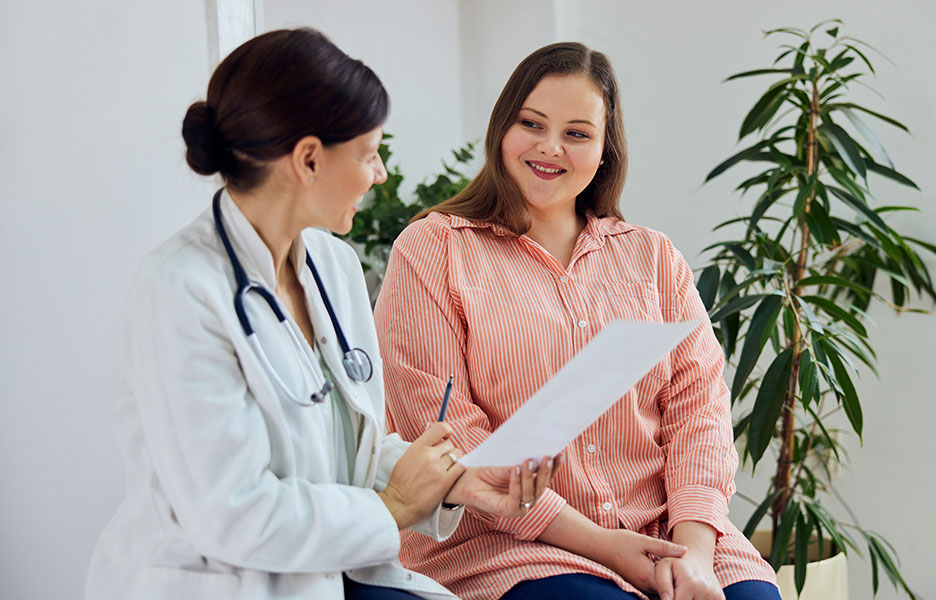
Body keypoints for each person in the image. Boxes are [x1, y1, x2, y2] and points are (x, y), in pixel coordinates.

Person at [85, 28, 556, 600]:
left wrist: (458, 483)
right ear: (308, 159)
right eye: (368, 153)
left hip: (329, 571)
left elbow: (345, 449)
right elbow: (234, 514)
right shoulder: (180, 291)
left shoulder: (331, 266)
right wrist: (393, 507)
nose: (379, 173)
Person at [373, 42, 781, 600]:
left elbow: (699, 416)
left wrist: (696, 557)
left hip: (663, 525)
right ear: (502, 128)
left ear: (605, 150)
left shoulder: (654, 258)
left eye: (577, 133)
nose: (549, 147)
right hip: (506, 541)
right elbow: (446, 430)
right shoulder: (433, 249)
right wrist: (603, 546)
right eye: (531, 123)